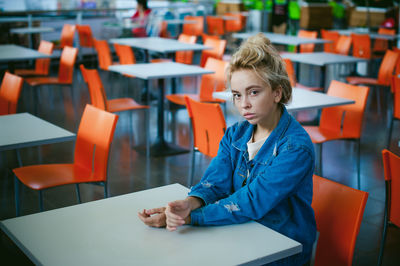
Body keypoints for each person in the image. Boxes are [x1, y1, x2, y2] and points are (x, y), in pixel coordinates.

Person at [138, 33, 316, 265]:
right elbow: (216, 181)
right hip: (242, 232)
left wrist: (192, 217)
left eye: (254, 92)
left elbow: (252, 200)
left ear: (277, 92)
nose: (244, 104)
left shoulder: (295, 149)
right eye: (236, 95)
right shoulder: (236, 134)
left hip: (281, 248)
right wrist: (189, 204)